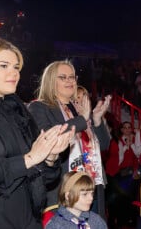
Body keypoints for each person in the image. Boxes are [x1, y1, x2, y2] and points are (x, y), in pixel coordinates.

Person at [0, 37, 74, 229]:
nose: (14, 73)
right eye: (4, 66)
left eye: (17, 67)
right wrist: (30, 158)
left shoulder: (19, 113)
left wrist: (50, 157)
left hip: (28, 217)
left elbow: (45, 179)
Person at [28, 60, 111, 220]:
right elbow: (50, 139)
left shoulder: (78, 107)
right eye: (63, 77)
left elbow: (104, 145)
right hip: (63, 188)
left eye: (72, 77)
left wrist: (97, 120)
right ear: (51, 81)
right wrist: (82, 120)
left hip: (91, 185)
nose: (69, 81)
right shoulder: (39, 107)